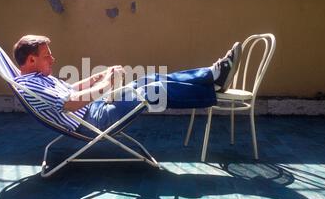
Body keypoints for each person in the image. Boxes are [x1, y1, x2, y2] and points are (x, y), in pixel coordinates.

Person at [13, 35, 241, 137]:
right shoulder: (30, 85)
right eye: (46, 56)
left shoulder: (40, 77)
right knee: (153, 91)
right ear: (31, 60)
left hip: (98, 108)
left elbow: (71, 90)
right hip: (96, 120)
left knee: (148, 80)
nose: (52, 60)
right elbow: (69, 104)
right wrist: (105, 85)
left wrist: (98, 77)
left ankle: (211, 75)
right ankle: (212, 86)